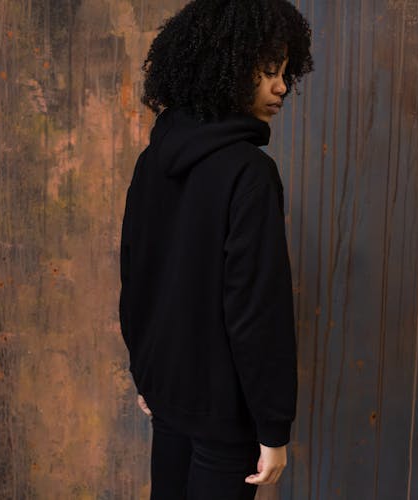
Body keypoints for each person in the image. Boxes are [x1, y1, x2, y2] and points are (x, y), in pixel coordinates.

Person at [119, 1, 313, 498]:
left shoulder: (152, 160)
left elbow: (137, 276)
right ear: (223, 68)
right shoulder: (248, 171)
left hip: (169, 399)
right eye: (268, 71)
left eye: (285, 73)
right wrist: (273, 428)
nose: (281, 87)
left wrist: (146, 372)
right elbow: (256, 308)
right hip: (225, 416)